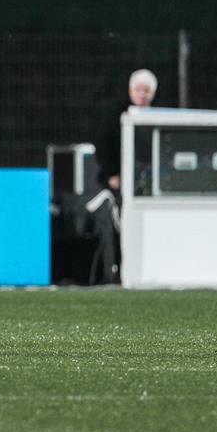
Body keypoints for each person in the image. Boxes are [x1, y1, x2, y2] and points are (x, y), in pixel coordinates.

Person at [87, 67, 158, 285]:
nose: (142, 94)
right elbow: (103, 144)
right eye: (138, 89)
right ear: (130, 90)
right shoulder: (116, 115)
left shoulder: (157, 117)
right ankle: (118, 270)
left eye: (146, 90)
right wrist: (112, 174)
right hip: (120, 183)